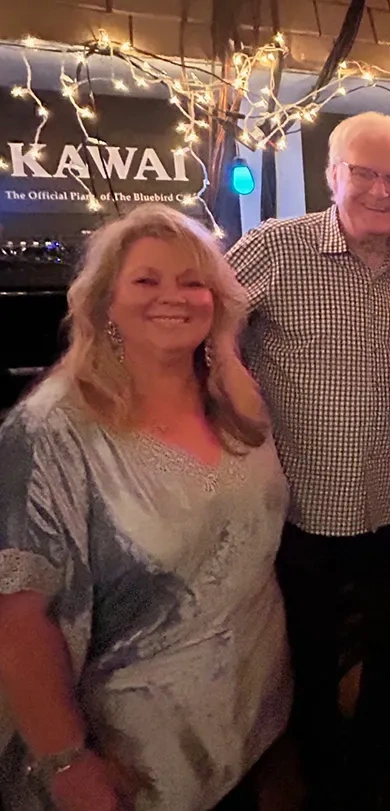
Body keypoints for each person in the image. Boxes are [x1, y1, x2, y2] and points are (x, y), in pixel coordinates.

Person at [0, 204, 291, 810]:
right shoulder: (52, 428)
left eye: (193, 282)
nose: (175, 298)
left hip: (252, 715)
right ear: (106, 302)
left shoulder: (232, 397)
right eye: (146, 280)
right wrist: (66, 759)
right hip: (136, 758)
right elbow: (18, 615)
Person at [225, 111, 390, 808]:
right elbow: (206, 322)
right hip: (304, 508)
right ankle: (321, 775)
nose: (380, 189)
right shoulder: (274, 247)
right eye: (364, 173)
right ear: (331, 175)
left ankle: (373, 764)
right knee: (307, 658)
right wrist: (231, 388)